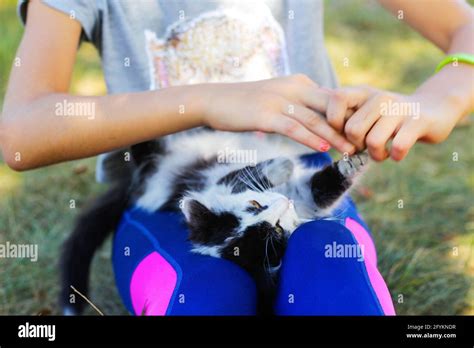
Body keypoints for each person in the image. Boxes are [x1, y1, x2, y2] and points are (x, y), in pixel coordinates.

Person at [0, 0, 472, 315]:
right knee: (205, 297)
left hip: (299, 184)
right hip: (175, 206)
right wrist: (206, 101)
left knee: (331, 272)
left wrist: (441, 99)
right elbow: (22, 131)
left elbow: (463, 27)